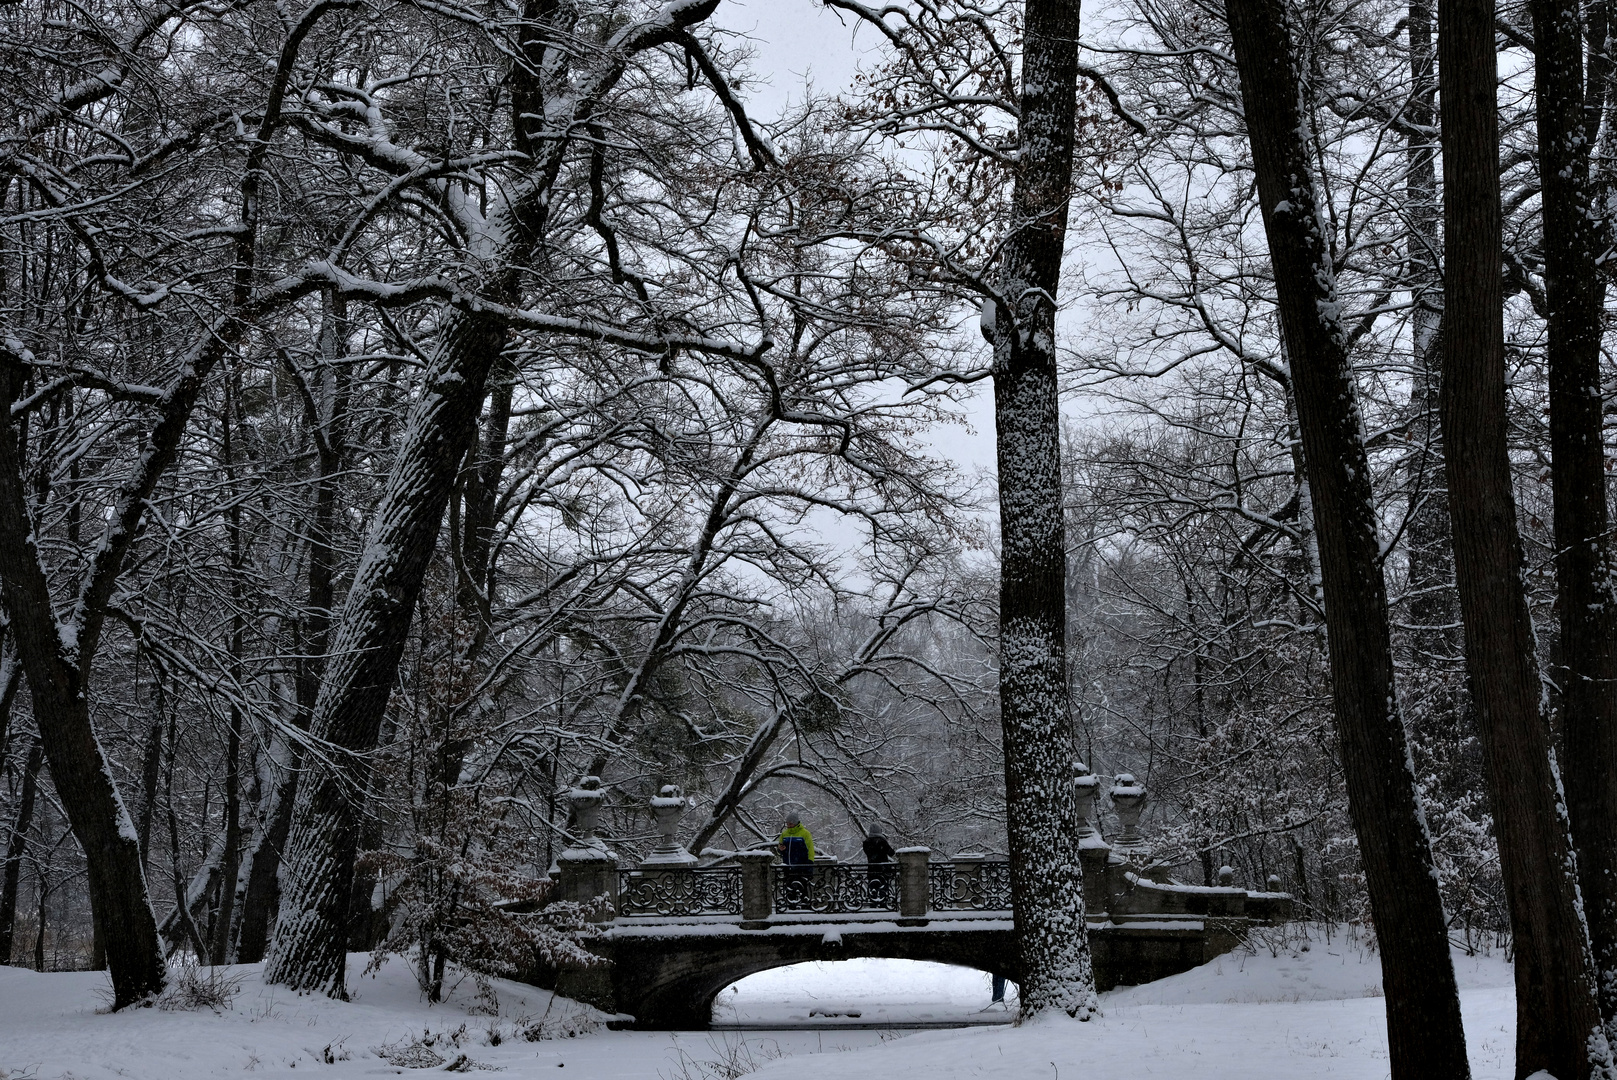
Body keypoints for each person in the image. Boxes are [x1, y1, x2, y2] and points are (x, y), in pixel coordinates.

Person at [862, 831, 896, 906]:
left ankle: (873, 903)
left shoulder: (866, 843)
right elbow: (891, 853)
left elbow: (868, 853)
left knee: (873, 887)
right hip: (883, 868)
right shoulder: (882, 841)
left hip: (872, 868)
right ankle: (883, 904)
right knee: (883, 887)